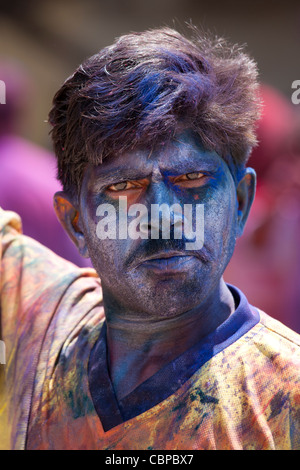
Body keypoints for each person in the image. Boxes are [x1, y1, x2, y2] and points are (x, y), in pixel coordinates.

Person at [0, 27, 299, 451]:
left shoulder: (286, 398)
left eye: (192, 179)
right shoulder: (38, 318)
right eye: (123, 187)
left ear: (239, 202)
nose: (163, 216)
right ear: (76, 223)